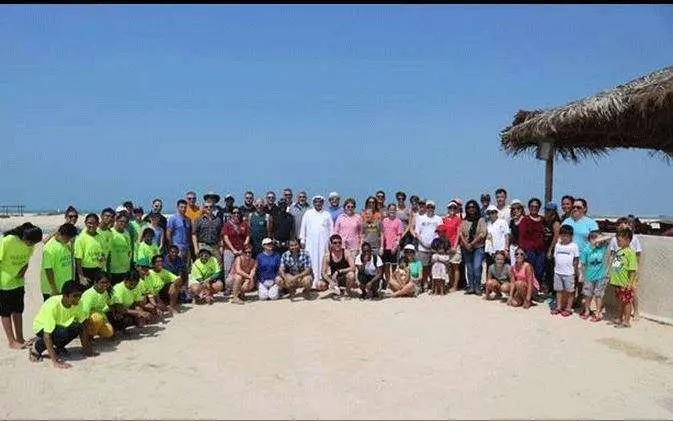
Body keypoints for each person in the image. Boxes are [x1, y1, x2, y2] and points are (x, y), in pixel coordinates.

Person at [28, 280, 93, 368]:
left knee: (78, 327)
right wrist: (55, 362)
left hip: (60, 325)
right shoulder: (52, 306)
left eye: (79, 295)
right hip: (41, 327)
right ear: (65, 296)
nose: (78, 298)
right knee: (59, 333)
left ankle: (58, 347)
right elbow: (47, 335)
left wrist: (87, 350)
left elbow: (83, 324)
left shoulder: (78, 303)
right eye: (75, 296)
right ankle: (35, 348)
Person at [1, 223, 43, 349]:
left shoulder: (32, 242)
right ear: (24, 236)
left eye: (33, 244)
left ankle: (20, 338)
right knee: (5, 312)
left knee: (18, 310)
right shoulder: (8, 240)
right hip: (4, 283)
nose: (30, 245)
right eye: (29, 242)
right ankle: (11, 341)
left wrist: (24, 269)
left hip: (19, 282)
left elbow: (27, 259)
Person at [561, 198, 598, 307]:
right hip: (568, 258)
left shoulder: (591, 223)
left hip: (584, 258)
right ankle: (568, 302)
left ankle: (580, 301)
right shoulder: (567, 221)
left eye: (579, 207)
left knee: (582, 281)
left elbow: (596, 240)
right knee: (570, 281)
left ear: (585, 209)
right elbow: (560, 237)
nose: (575, 209)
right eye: (574, 207)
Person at [608, 217, 644, 320]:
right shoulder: (615, 239)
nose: (621, 226)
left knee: (632, 291)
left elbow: (638, 254)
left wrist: (636, 270)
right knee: (620, 295)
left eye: (624, 224)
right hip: (619, 272)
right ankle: (621, 314)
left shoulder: (633, 238)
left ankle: (635, 311)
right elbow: (612, 254)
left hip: (630, 271)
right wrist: (610, 269)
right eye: (619, 224)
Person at [299, 195, 334, 288]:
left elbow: (331, 230)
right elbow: (303, 228)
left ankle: (322, 282)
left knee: (323, 260)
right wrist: (302, 240)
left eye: (320, 202)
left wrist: (332, 242)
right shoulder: (308, 213)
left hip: (324, 243)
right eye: (316, 202)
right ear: (313, 203)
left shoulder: (327, 214)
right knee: (311, 260)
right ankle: (311, 282)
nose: (318, 203)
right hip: (310, 243)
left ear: (322, 203)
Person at [40, 223, 78, 301]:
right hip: (53, 289)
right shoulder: (49, 248)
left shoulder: (65, 244)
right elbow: (48, 269)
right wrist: (53, 288)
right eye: (67, 238)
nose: (68, 240)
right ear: (60, 234)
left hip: (65, 287)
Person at [412, 200, 442, 291]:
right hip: (422, 246)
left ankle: (433, 284)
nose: (430, 209)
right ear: (426, 207)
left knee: (434, 266)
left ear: (434, 208)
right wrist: (423, 243)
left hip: (435, 247)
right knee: (424, 266)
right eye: (428, 207)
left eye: (432, 207)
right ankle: (424, 283)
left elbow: (441, 232)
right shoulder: (420, 218)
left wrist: (434, 244)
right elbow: (417, 233)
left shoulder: (438, 218)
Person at [459, 200, 487, 295]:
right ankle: (471, 287)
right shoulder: (464, 221)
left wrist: (472, 243)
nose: (471, 209)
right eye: (469, 207)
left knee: (477, 267)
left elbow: (483, 233)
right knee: (469, 267)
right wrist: (466, 244)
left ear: (476, 208)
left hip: (478, 247)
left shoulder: (481, 220)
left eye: (473, 207)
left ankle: (477, 287)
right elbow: (460, 234)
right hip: (466, 247)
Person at [580, 231, 609, 322]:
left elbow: (610, 238)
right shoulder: (586, 250)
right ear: (591, 239)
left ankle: (598, 312)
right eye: (597, 239)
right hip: (589, 276)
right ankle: (587, 311)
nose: (599, 241)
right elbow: (583, 264)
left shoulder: (602, 248)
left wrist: (599, 239)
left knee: (598, 295)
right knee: (588, 295)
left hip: (601, 276)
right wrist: (583, 276)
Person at [551, 225, 579, 317]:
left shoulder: (574, 246)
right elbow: (555, 257)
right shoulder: (557, 245)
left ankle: (568, 308)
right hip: (558, 272)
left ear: (571, 236)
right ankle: (558, 307)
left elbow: (576, 259)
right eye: (562, 235)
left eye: (567, 235)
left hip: (569, 273)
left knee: (570, 291)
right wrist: (556, 269)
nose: (565, 237)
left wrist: (574, 271)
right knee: (558, 291)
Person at [518, 198, 547, 286]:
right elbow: (521, 236)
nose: (534, 208)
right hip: (529, 250)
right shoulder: (525, 220)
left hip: (541, 250)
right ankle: (529, 290)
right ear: (529, 207)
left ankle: (537, 289)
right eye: (532, 206)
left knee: (540, 271)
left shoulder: (542, 220)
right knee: (530, 271)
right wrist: (523, 249)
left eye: (536, 206)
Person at [80, 270, 115, 340]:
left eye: (107, 282)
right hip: (87, 319)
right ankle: (88, 335)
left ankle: (95, 331)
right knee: (97, 318)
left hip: (100, 317)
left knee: (109, 332)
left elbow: (110, 305)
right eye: (102, 282)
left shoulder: (106, 292)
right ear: (95, 282)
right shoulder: (89, 295)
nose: (105, 285)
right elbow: (84, 315)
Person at [437, 200, 462, 292]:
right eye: (450, 207)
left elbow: (458, 233)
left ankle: (455, 286)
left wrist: (455, 246)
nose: (452, 209)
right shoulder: (444, 219)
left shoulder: (458, 219)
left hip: (455, 245)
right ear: (448, 209)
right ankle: (450, 283)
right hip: (446, 246)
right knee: (449, 267)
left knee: (455, 266)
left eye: (454, 208)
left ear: (456, 209)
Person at [74, 213, 105, 287]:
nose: (92, 225)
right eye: (89, 223)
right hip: (85, 271)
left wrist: (102, 258)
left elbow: (102, 254)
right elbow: (78, 259)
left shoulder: (101, 237)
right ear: (85, 223)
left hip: (98, 271)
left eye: (94, 223)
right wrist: (81, 277)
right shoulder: (81, 238)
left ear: (98, 224)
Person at [221, 207, 251, 279]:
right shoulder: (227, 225)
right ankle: (228, 287)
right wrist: (233, 249)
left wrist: (243, 249)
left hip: (242, 250)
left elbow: (247, 236)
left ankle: (239, 285)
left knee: (242, 268)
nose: (236, 214)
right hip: (229, 250)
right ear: (230, 214)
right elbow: (226, 238)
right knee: (228, 269)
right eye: (234, 213)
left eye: (238, 213)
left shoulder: (244, 224)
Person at [381, 203, 404, 287]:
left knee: (394, 266)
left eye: (393, 210)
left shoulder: (398, 221)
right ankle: (388, 282)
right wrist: (381, 246)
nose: (392, 211)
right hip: (385, 247)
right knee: (386, 266)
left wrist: (396, 246)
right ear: (388, 210)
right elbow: (382, 234)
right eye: (390, 209)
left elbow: (399, 235)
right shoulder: (384, 220)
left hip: (394, 247)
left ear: (396, 211)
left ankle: (393, 281)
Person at [108, 212, 132, 286]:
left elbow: (129, 251)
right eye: (121, 221)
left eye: (125, 222)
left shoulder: (126, 233)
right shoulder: (110, 232)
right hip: (112, 270)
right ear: (116, 221)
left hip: (124, 269)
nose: (123, 224)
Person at [543, 202, 561, 297]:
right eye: (546, 209)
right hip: (545, 247)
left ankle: (554, 293)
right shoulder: (547, 220)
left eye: (550, 210)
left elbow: (556, 236)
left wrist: (550, 249)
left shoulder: (556, 221)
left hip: (552, 248)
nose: (547, 211)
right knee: (548, 270)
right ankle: (549, 290)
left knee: (552, 270)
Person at [484, 204, 510, 270]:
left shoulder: (503, 222)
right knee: (490, 270)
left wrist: (506, 248)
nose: (491, 214)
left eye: (493, 212)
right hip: (490, 252)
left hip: (500, 251)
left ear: (496, 212)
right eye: (489, 213)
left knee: (501, 271)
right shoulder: (488, 223)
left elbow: (506, 235)